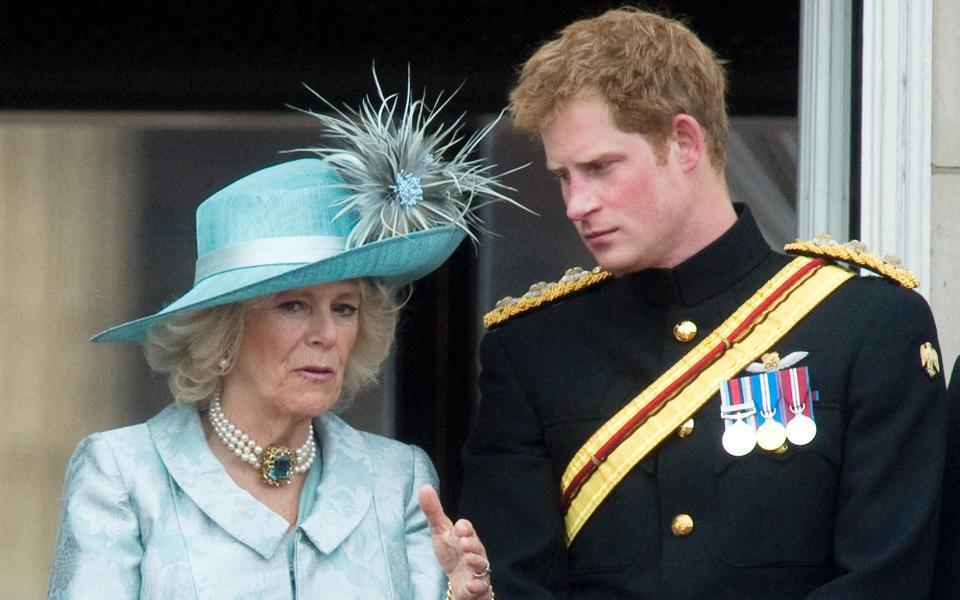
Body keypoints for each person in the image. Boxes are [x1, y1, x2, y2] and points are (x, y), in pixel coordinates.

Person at [459, 7, 946, 599]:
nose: (576, 204)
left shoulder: (868, 325)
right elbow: (517, 582)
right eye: (564, 176)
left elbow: (888, 579)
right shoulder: (531, 351)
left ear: (684, 142)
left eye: (600, 168)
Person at [47, 81, 513, 599]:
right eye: (292, 305)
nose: (326, 334)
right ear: (223, 329)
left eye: (344, 308)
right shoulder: (125, 474)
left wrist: (461, 597)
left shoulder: (396, 478)